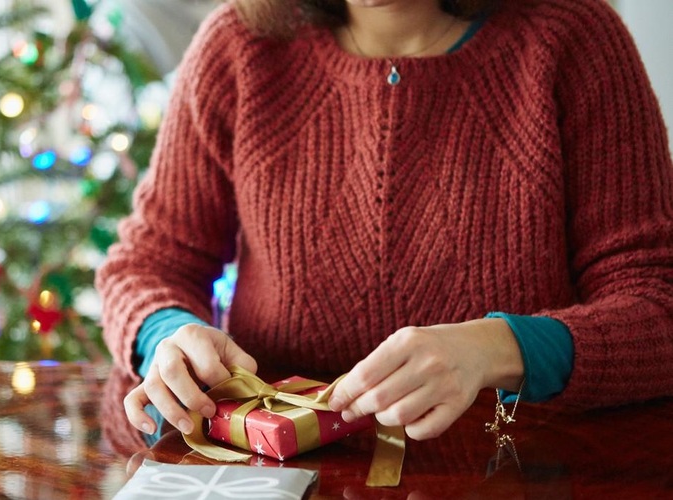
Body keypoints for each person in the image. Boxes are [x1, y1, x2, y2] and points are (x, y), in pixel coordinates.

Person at [96, 0, 673, 445]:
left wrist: (499, 349)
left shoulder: (574, 39)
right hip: (276, 470)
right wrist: (163, 334)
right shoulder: (239, 47)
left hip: (528, 464)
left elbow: (657, 302)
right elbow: (147, 263)